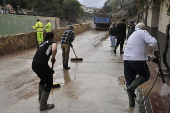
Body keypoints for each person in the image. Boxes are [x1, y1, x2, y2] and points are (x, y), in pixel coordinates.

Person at [123, 22, 159, 107]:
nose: (145, 30)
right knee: (145, 75)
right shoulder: (143, 32)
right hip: (137, 60)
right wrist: (157, 51)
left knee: (129, 80)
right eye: (145, 28)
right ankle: (131, 89)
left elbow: (138, 50)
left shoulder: (132, 35)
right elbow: (153, 42)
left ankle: (131, 103)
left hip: (127, 60)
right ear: (143, 28)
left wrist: (150, 57)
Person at [32, 32, 57, 111]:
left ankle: (41, 99)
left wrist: (48, 67)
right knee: (49, 83)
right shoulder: (53, 42)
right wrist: (53, 58)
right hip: (41, 64)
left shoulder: (42, 43)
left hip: (34, 64)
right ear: (52, 37)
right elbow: (54, 49)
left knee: (43, 80)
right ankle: (43, 105)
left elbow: (42, 56)